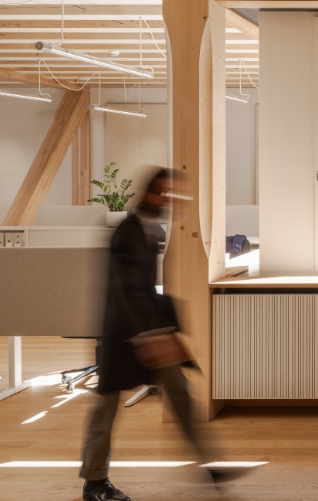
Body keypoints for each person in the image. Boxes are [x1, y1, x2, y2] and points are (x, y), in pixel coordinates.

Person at [79, 168, 244, 501]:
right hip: (125, 336)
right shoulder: (127, 232)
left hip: (150, 333)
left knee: (181, 398)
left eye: (173, 195)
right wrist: (154, 336)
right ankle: (95, 482)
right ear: (147, 193)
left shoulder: (153, 229)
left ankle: (211, 465)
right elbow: (126, 290)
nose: (168, 200)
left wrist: (169, 331)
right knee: (106, 409)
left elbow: (146, 290)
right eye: (163, 194)